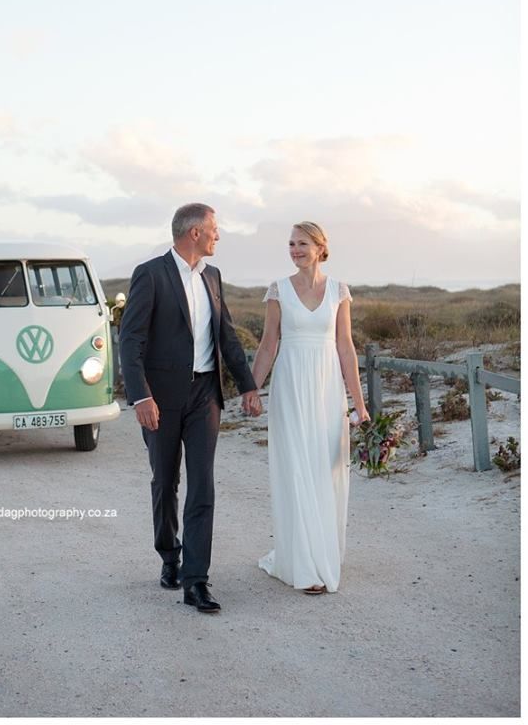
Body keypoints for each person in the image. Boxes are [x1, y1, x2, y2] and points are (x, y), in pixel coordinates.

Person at [119, 203, 262, 613]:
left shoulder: (213, 277)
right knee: (166, 481)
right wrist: (141, 395)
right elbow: (130, 342)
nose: (219, 236)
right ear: (194, 233)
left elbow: (227, 337)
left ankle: (196, 580)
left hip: (205, 396)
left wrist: (248, 386)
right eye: (214, 229)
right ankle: (169, 554)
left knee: (203, 484)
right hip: (160, 398)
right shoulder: (151, 274)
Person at [251, 221, 369, 595]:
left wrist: (359, 405)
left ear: (320, 247)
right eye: (290, 244)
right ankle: (301, 564)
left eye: (302, 243)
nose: (295, 249)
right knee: (295, 468)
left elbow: (346, 348)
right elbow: (269, 345)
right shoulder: (278, 290)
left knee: (324, 468)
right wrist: (252, 389)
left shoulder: (338, 290)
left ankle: (322, 552)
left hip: (326, 388)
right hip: (289, 387)